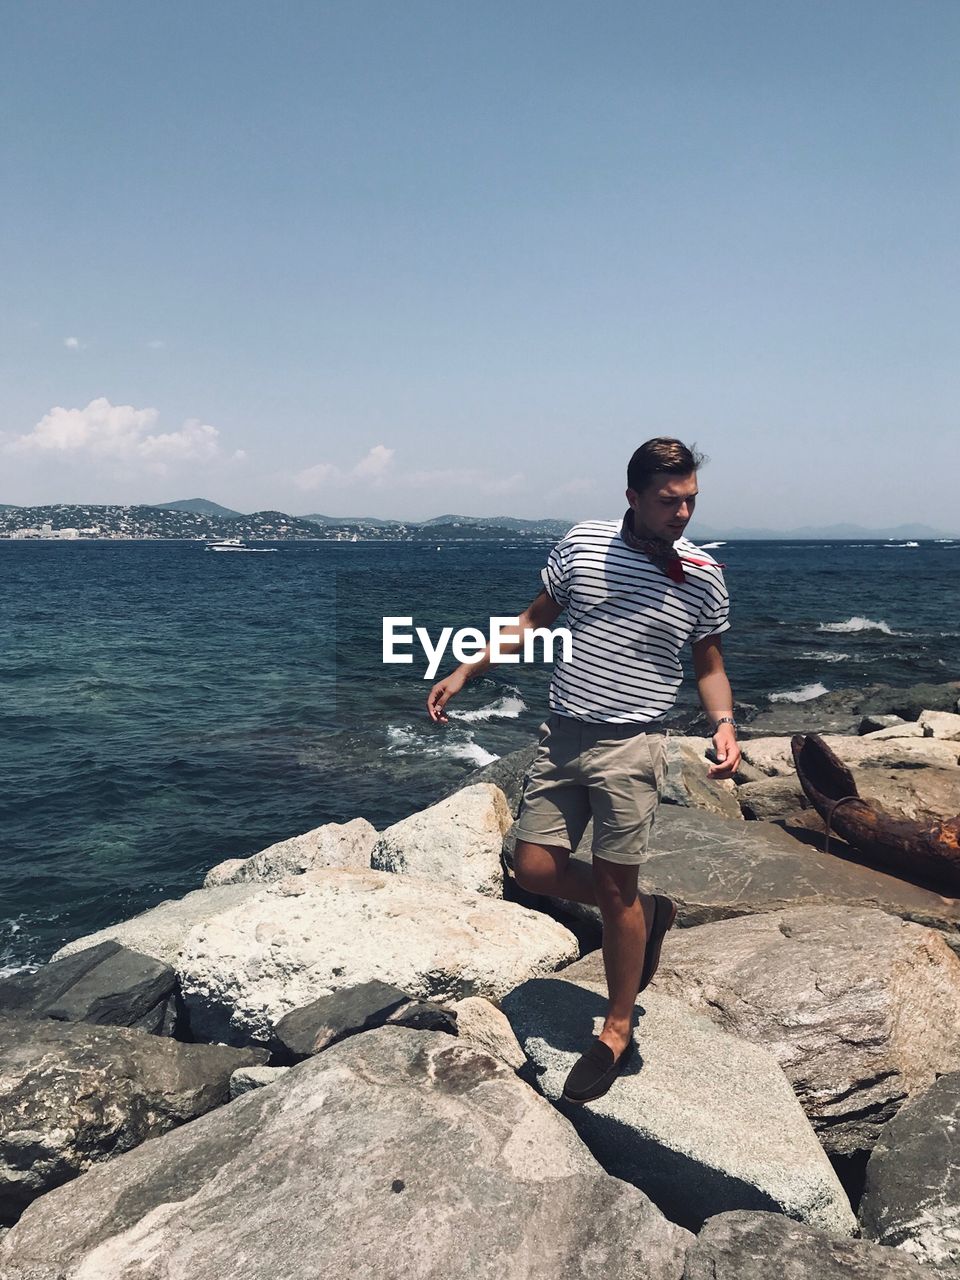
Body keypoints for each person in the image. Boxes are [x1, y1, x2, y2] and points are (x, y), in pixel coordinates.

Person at [426, 437, 741, 1104]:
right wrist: (465, 670)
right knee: (532, 867)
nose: (682, 513)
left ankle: (618, 1027)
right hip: (564, 735)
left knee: (614, 884)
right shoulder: (583, 546)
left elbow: (708, 664)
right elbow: (535, 619)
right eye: (667, 502)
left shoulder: (702, 572)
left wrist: (724, 725)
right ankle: (648, 915)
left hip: (633, 746)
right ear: (632, 497)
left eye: (690, 501)